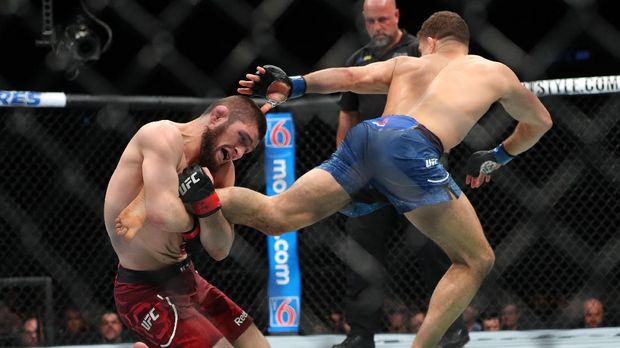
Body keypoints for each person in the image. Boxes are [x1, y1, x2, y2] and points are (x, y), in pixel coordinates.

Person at [229, 10, 552, 348]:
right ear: (463, 44)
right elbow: (540, 121)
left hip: (369, 137)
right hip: (412, 147)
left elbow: (348, 76)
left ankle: (204, 195)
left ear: (428, 41)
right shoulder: (493, 71)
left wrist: (296, 84)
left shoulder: (407, 64)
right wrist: (497, 156)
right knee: (476, 259)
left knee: (277, 215)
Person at [334, 1, 467, 347]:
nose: (376, 26)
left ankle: (451, 329)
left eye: (382, 19)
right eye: (370, 21)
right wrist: (344, 164)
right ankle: (361, 334)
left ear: (396, 17)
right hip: (369, 168)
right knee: (362, 249)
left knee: (435, 248)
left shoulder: (421, 52)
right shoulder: (358, 59)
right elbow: (347, 116)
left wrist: (439, 154)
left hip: (416, 165)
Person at [105, 95, 270, 347]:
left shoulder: (223, 169)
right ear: (218, 116)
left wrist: (207, 204)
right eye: (241, 139)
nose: (237, 153)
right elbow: (162, 214)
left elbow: (220, 249)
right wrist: (201, 219)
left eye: (245, 151)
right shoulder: (161, 135)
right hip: (144, 288)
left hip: (190, 278)